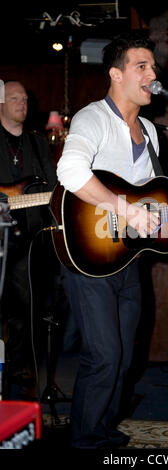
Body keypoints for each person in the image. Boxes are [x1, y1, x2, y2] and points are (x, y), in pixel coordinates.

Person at [56, 32, 168, 450]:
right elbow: (70, 171)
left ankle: (101, 427)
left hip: (127, 259)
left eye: (154, 67)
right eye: (143, 67)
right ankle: (84, 440)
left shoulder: (153, 134)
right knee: (103, 355)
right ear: (116, 74)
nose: (154, 74)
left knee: (123, 356)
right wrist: (124, 208)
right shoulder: (92, 119)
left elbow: (158, 207)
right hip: (90, 256)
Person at [0, 80, 57, 398]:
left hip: (28, 242)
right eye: (14, 97)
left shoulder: (37, 142)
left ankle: (19, 370)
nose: (22, 102)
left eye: (25, 97)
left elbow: (53, 186)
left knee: (25, 312)